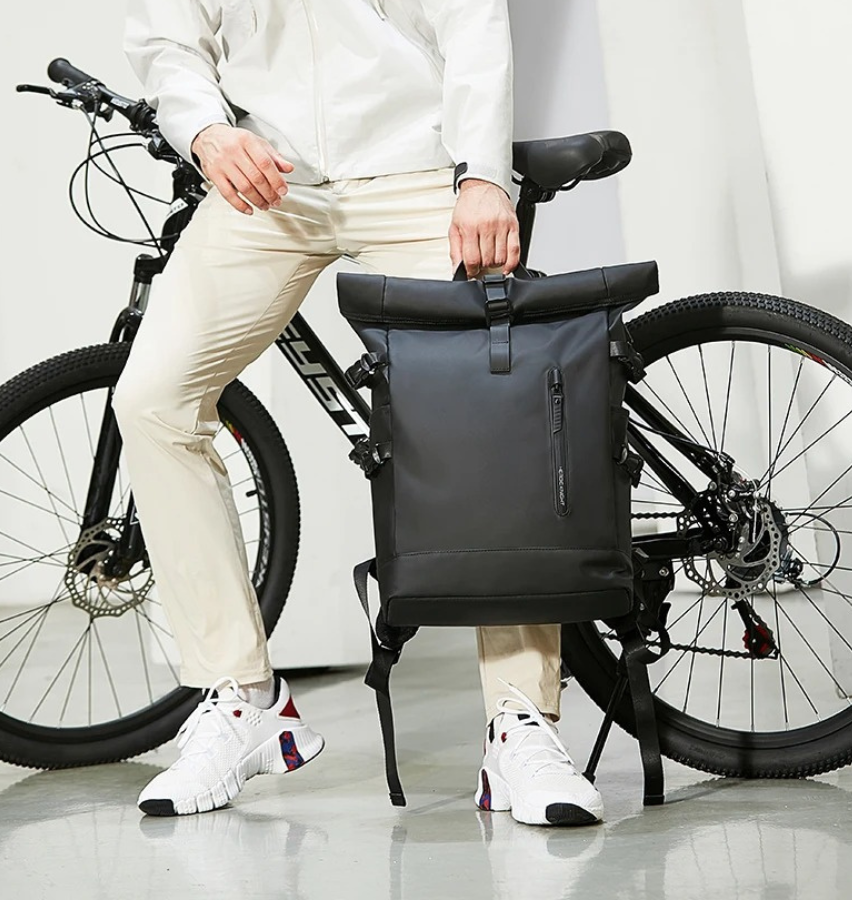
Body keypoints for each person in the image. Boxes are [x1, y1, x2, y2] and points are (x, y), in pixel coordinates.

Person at [117, 0, 604, 826]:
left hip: (412, 168)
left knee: (492, 417)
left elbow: (472, 19)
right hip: (272, 184)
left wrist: (484, 174)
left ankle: (521, 722)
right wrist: (206, 131)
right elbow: (168, 35)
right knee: (154, 401)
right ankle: (242, 697)